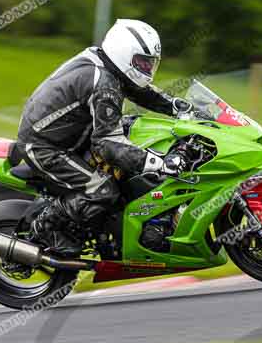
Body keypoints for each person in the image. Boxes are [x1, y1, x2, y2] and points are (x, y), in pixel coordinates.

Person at [15, 19, 192, 256]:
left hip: (71, 135)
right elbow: (107, 143)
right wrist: (158, 162)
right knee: (103, 189)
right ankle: (45, 226)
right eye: (142, 62)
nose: (147, 69)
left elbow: (140, 92)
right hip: (45, 146)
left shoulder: (104, 64)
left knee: (131, 138)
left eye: (150, 63)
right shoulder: (103, 83)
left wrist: (177, 107)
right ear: (123, 53)